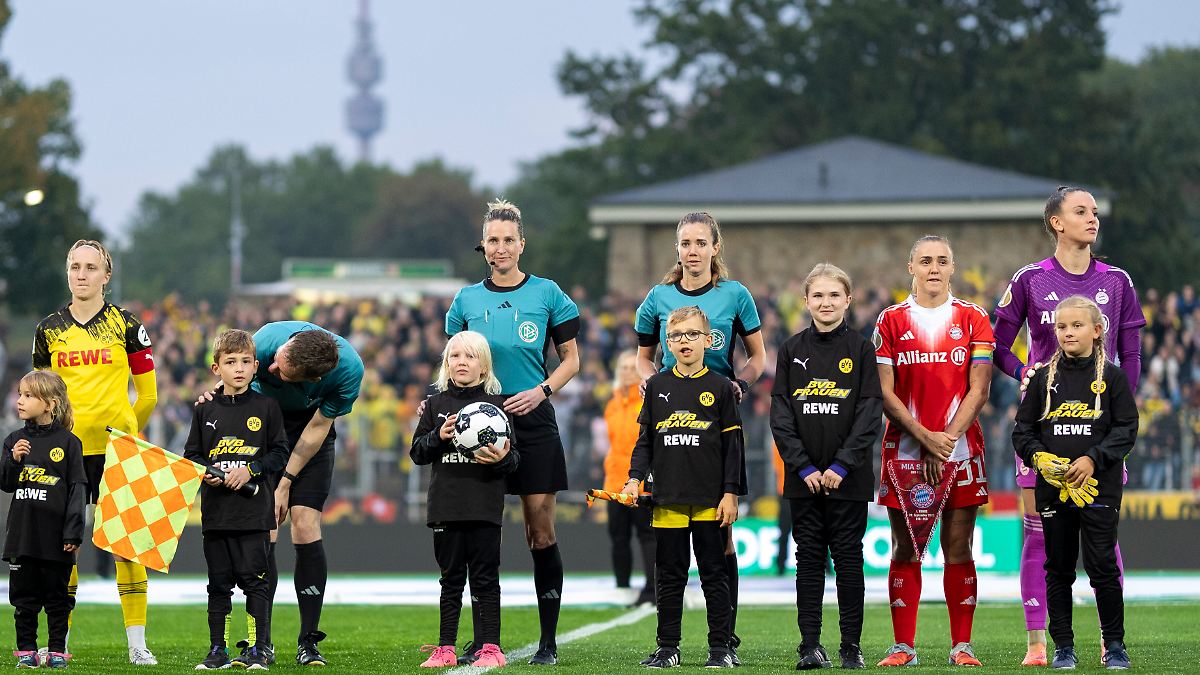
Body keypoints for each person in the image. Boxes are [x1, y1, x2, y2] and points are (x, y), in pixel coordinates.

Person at [992, 186, 1144, 667]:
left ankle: (1109, 640)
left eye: (1095, 212)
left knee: (1104, 536)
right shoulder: (1030, 279)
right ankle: (1039, 643)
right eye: (1081, 211)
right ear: (1056, 222)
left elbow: (1132, 352)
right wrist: (1025, 373)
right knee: (1039, 534)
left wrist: (1121, 409)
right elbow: (997, 346)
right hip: (1045, 429)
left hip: (1099, 433)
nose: (1092, 219)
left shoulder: (1117, 281)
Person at [445, 199, 580, 666]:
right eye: (492, 241)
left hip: (533, 420)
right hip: (477, 425)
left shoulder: (547, 294)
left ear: (521, 244)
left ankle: (548, 641)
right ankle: (485, 640)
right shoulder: (466, 300)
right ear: (483, 246)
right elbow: (454, 362)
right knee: (481, 537)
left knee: (539, 533)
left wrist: (542, 391)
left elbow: (572, 361)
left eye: (508, 240)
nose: (500, 248)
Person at [634, 211, 764, 663]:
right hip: (672, 418)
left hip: (716, 417)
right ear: (678, 249)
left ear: (714, 248)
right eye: (684, 243)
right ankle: (675, 643)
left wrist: (739, 386)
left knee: (721, 542)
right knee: (673, 557)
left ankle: (723, 638)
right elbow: (643, 359)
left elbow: (758, 357)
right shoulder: (657, 297)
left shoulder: (735, 295)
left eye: (699, 243)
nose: (692, 251)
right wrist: (654, 385)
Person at [32, 239, 159, 665]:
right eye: (74, 266)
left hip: (116, 449)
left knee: (127, 547)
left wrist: (126, 432)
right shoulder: (48, 329)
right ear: (66, 272)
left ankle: (137, 646)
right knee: (62, 548)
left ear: (107, 275)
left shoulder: (127, 324)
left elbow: (149, 396)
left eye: (90, 267)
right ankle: (59, 642)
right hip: (64, 453)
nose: (81, 274)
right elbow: (40, 395)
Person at [874, 235, 993, 667]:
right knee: (904, 547)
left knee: (958, 546)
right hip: (904, 451)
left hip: (961, 450)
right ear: (911, 268)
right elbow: (885, 394)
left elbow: (979, 389)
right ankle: (903, 646)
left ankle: (962, 645)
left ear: (953, 267)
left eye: (942, 261)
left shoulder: (974, 317)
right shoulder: (889, 321)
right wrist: (925, 436)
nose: (934, 268)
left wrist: (943, 442)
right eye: (925, 261)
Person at [1012, 296, 1137, 670]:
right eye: (1062, 326)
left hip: (1100, 488)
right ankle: (1063, 647)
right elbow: (1022, 431)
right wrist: (1039, 458)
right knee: (1059, 567)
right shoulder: (1042, 379)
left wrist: (1092, 459)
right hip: (1053, 489)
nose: (1068, 332)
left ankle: (1114, 646)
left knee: (1102, 566)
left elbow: (1127, 429)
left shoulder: (1112, 378)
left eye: (1077, 326)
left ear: (1098, 331)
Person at [771, 264, 881, 670]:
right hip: (804, 480)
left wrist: (840, 465)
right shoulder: (790, 349)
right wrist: (803, 467)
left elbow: (870, 413)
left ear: (847, 300)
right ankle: (810, 646)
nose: (826, 302)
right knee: (809, 560)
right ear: (806, 302)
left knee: (850, 559)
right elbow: (780, 416)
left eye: (834, 295)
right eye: (818, 295)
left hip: (847, 479)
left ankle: (851, 647)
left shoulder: (862, 349)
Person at [622, 306, 742, 669]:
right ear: (666, 343)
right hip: (668, 498)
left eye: (692, 335)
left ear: (709, 340)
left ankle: (721, 648)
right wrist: (634, 478)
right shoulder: (656, 385)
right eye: (676, 336)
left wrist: (731, 493)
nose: (684, 341)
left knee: (713, 574)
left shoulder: (721, 387)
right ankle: (667, 647)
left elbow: (734, 447)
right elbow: (645, 442)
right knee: (669, 576)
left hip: (709, 499)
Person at [245, 322, 363, 666]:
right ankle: (260, 642)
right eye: (277, 360)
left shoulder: (348, 372)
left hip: (311, 432)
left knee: (306, 523)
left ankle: (308, 641)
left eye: (281, 372)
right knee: (267, 525)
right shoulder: (265, 342)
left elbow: (316, 430)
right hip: (265, 429)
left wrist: (284, 484)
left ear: (311, 381)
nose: (270, 369)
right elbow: (234, 384)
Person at [411, 331, 518, 669]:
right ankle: (446, 648)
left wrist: (500, 458)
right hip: (445, 505)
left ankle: (491, 647)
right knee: (451, 579)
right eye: (455, 356)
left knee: (486, 578)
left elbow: (515, 461)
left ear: (484, 367)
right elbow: (417, 452)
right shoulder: (435, 405)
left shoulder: (499, 408)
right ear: (446, 364)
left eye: (470, 356)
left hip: (484, 506)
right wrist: (438, 437)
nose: (461, 362)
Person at [184, 330, 290, 671]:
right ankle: (218, 649)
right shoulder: (204, 410)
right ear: (217, 368)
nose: (239, 368)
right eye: (231, 362)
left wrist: (252, 470)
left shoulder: (267, 407)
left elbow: (279, 453)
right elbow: (192, 456)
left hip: (254, 514)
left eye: (245, 362)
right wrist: (205, 472)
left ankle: (259, 648)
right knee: (218, 585)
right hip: (216, 514)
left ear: (256, 366)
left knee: (255, 582)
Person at [1, 371, 85, 670]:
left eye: (27, 396)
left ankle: (57, 650)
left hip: (56, 538)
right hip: (22, 536)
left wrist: (73, 533)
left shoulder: (69, 443)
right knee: (23, 599)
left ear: (49, 404)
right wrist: (13, 460)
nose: (20, 401)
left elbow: (77, 490)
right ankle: (26, 650)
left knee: (57, 598)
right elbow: (6, 484)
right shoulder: (14, 440)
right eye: (20, 394)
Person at [602, 351, 655, 606]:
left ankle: (652, 588)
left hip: (640, 482)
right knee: (618, 536)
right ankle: (621, 586)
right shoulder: (612, 404)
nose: (626, 372)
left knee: (647, 535)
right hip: (614, 482)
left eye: (630, 368)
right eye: (622, 368)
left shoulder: (648, 402)